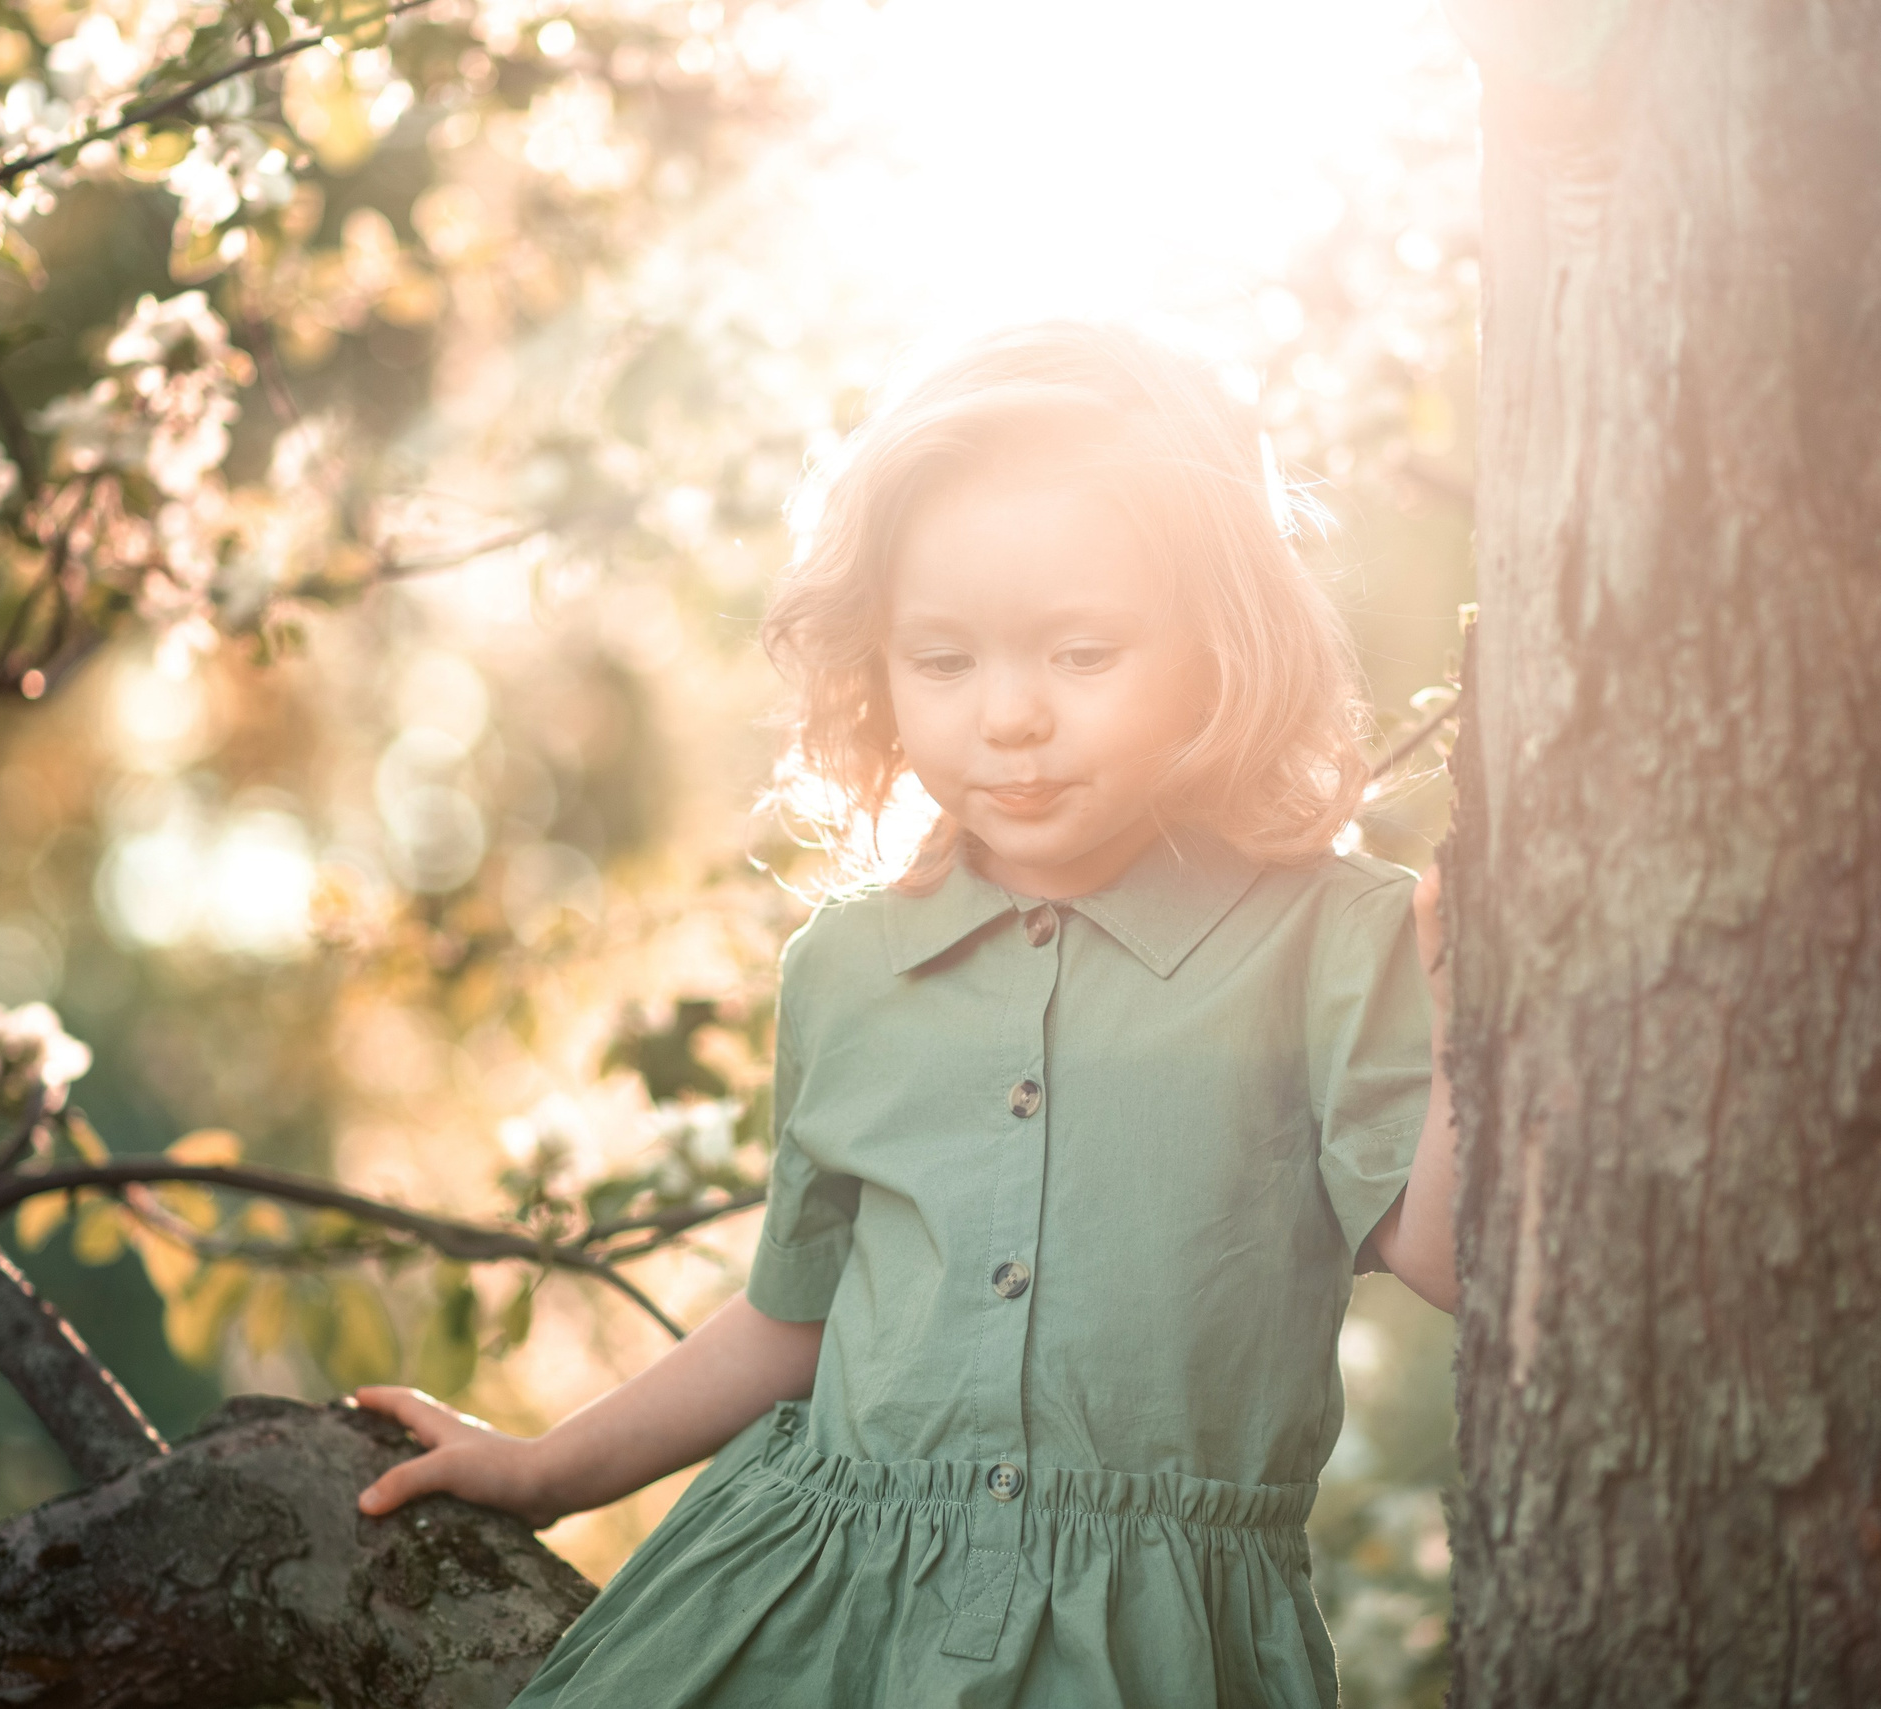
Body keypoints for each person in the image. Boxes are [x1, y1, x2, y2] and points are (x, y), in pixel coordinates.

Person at [350, 321, 1459, 1707]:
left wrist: (1473, 1001)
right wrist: (546, 1466)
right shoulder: (850, 967)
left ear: (1220, 645)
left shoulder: (1330, 939)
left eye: (1082, 652)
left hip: (1150, 1644)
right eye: (943, 660)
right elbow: (792, 1321)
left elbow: (1456, 1254)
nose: (1009, 716)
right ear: (876, 663)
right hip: (810, 1608)